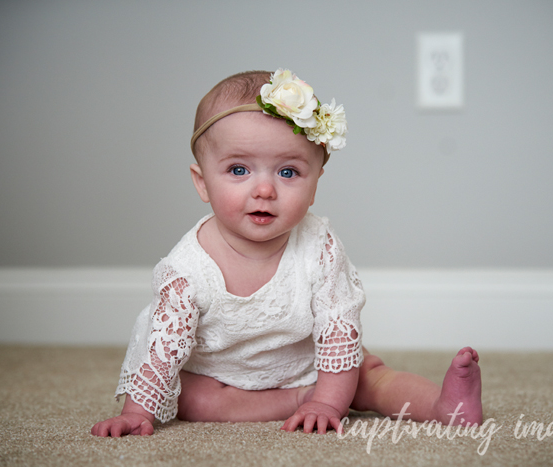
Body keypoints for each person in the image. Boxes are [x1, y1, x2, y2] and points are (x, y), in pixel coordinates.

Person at [91, 68, 482, 438]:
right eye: (239, 170)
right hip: (221, 374)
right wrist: (137, 412)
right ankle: (295, 401)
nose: (264, 190)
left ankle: (444, 406)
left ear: (314, 186)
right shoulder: (188, 267)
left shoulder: (320, 248)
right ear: (202, 182)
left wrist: (329, 401)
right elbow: (163, 348)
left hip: (314, 364)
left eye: (288, 172)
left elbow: (336, 327)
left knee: (371, 375)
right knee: (191, 398)